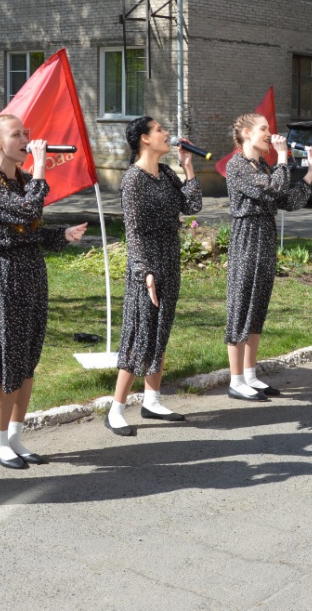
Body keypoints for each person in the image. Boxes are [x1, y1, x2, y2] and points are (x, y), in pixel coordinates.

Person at [0, 114, 87, 467]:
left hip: (32, 271)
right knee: (10, 357)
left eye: (27, 133)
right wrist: (40, 169)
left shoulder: (23, 179)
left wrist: (60, 236)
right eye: (17, 135)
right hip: (6, 273)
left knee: (27, 358)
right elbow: (27, 211)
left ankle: (16, 437)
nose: (26, 139)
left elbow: (30, 230)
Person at [104, 117, 203, 436]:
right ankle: (116, 409)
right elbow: (132, 232)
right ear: (145, 139)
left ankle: (152, 400)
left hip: (169, 259)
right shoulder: (133, 180)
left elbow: (192, 206)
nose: (166, 134)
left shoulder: (165, 173)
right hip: (145, 264)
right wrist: (144, 272)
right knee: (138, 334)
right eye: (160, 130)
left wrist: (188, 168)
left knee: (160, 330)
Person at [224, 114, 312, 401]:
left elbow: (286, 201)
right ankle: (235, 379)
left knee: (257, 308)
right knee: (240, 307)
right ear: (247, 134)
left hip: (264, 237)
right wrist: (281, 158)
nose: (270, 133)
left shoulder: (262, 164)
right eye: (264, 129)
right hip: (247, 238)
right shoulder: (236, 165)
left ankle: (250, 374)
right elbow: (273, 188)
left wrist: (310, 174)